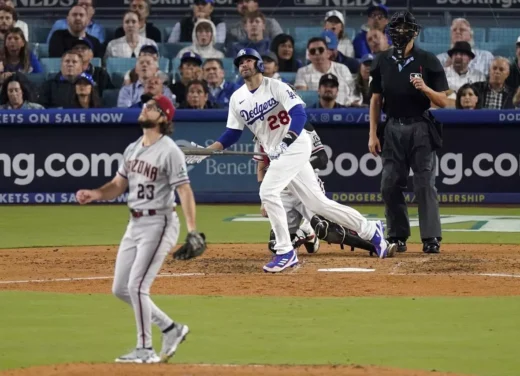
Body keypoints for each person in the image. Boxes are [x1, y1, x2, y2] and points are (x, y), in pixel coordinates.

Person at [191, 48, 394, 273]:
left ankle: (285, 251)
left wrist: (286, 141)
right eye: (240, 62)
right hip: (278, 151)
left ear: (258, 64)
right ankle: (370, 229)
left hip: (295, 145)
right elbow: (232, 133)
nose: (244, 64)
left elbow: (299, 114)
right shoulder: (237, 98)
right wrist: (208, 151)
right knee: (319, 204)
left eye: (248, 60)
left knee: (268, 191)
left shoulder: (276, 86)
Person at [75, 94, 206, 363]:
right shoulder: (133, 148)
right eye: (145, 106)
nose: (144, 108)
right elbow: (118, 185)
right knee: (121, 288)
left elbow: (185, 190)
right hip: (134, 223)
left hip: (159, 223)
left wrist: (192, 230)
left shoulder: (170, 150)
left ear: (164, 117)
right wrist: (95, 194)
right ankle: (171, 329)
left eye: (152, 107)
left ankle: (145, 350)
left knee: (136, 285)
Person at [368, 11, 450, 254]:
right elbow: (375, 99)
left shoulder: (428, 59)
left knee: (425, 184)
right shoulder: (381, 60)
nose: (400, 32)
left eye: (405, 28)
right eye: (396, 27)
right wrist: (372, 133)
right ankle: (397, 235)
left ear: (414, 32)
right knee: (389, 184)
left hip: (421, 127)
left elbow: (443, 101)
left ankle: (431, 238)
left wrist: (425, 88)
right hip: (392, 126)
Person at [255, 122, 376, 256]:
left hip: (307, 187)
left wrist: (297, 166)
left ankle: (375, 244)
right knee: (276, 244)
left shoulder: (304, 127)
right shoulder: (263, 131)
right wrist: (264, 201)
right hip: (284, 192)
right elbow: (261, 165)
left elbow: (322, 158)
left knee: (325, 228)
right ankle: (306, 235)